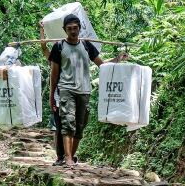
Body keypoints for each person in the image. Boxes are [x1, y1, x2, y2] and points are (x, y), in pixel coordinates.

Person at [48, 14, 127, 167]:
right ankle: (68, 158)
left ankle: (70, 155)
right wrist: (52, 96)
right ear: (64, 30)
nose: (72, 31)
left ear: (80, 28)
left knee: (79, 126)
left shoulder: (86, 45)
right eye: (69, 28)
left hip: (84, 91)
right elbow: (54, 74)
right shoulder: (59, 47)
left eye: (75, 28)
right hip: (66, 89)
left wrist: (118, 58)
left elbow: (102, 65)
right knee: (67, 123)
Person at [39, 22, 64, 165]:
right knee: (57, 127)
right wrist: (42, 29)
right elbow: (44, 47)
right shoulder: (53, 60)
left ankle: (66, 155)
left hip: (70, 94)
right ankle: (60, 155)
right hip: (57, 96)